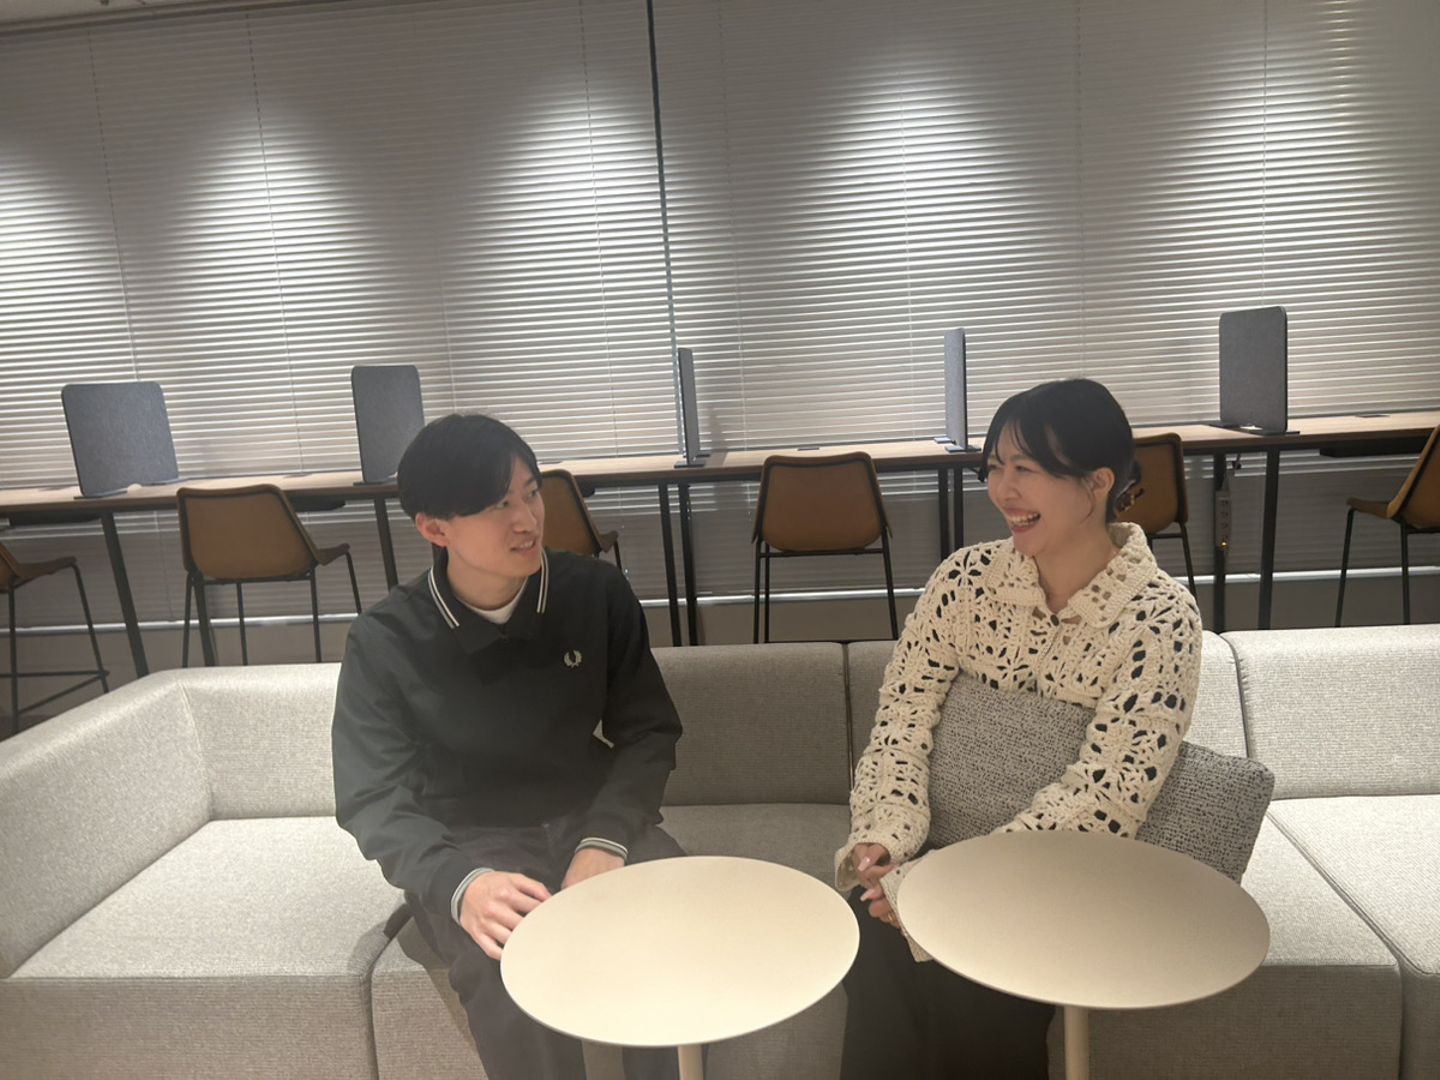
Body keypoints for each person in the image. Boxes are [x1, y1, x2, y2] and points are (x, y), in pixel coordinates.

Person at [835, 379, 1203, 1079]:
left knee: (983, 979)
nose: (1002, 490)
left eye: (1025, 468)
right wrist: (887, 836)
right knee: (871, 942)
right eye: (994, 467)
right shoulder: (964, 581)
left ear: (1097, 483)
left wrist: (939, 890)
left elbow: (1104, 797)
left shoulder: (1159, 618)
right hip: (926, 856)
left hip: (1051, 877)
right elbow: (901, 718)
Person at [332, 413, 685, 1080]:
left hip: (589, 813)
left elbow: (648, 730)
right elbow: (371, 796)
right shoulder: (386, 639)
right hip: (469, 838)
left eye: (531, 492)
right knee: (510, 966)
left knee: (674, 926)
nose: (527, 520)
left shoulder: (594, 593)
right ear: (435, 528)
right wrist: (458, 884)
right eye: (497, 506)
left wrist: (606, 840)